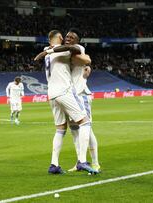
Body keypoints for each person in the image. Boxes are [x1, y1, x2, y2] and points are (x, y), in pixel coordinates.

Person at [34, 30, 96, 174]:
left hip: (51, 94)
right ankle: (82, 161)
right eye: (65, 37)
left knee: (60, 129)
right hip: (64, 91)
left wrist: (47, 52)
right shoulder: (65, 50)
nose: (67, 40)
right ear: (61, 38)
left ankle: (54, 164)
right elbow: (86, 59)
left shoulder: (47, 50)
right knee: (85, 122)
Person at [63, 29, 100, 173]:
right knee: (74, 132)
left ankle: (95, 162)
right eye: (67, 36)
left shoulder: (79, 49)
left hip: (81, 94)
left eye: (72, 37)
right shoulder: (66, 53)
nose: (68, 38)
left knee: (87, 129)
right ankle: (79, 161)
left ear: (77, 40)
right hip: (69, 96)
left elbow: (86, 60)